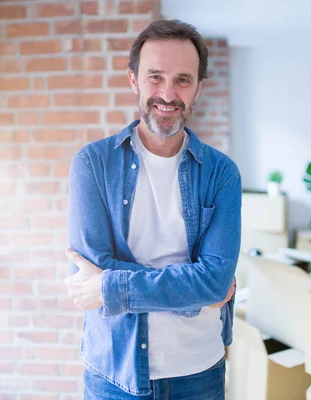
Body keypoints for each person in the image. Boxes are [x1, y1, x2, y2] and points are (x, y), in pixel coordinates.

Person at [64, 19, 242, 399]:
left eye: (182, 79)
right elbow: (89, 266)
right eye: (155, 77)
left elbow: (214, 281)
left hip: (199, 371)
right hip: (114, 372)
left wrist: (110, 285)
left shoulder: (223, 173)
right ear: (134, 81)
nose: (167, 93)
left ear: (197, 88)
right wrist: (194, 287)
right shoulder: (92, 164)